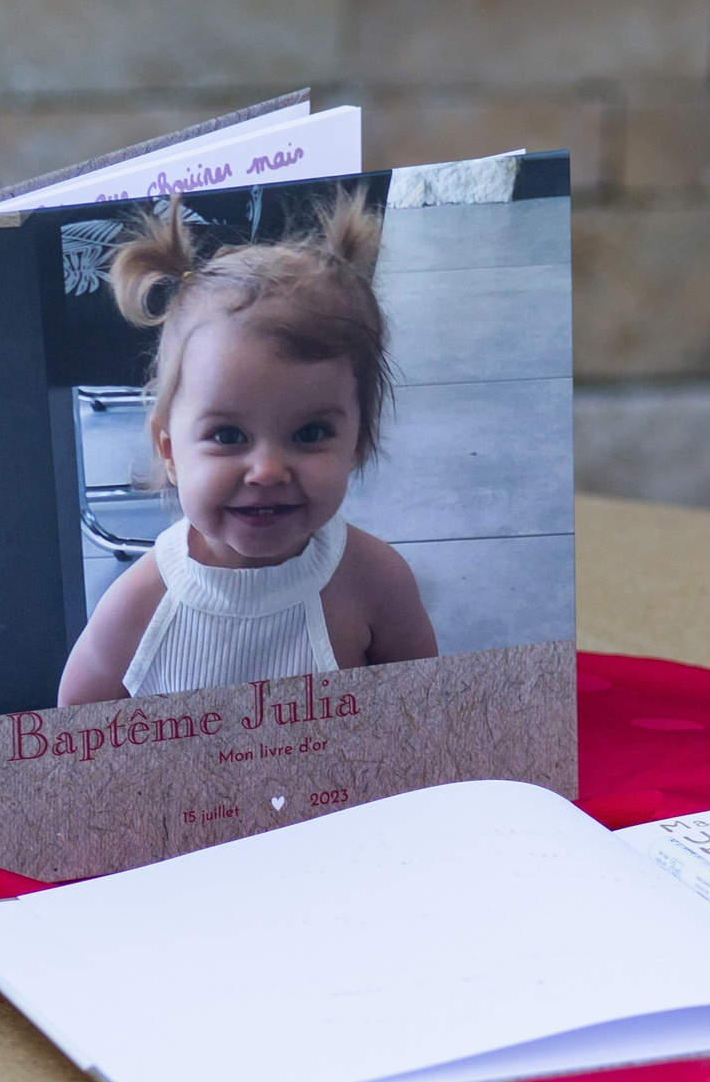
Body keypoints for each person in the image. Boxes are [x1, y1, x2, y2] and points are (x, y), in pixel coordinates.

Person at [57, 193, 438, 706]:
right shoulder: (142, 603)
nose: (267, 471)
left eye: (309, 434)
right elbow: (71, 732)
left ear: (358, 442)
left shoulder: (375, 582)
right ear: (169, 450)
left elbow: (429, 710)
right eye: (228, 436)